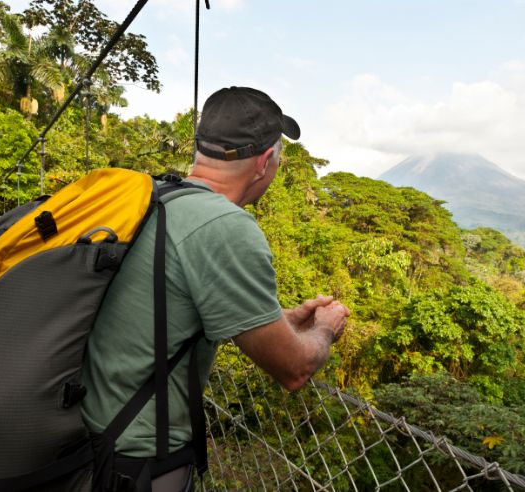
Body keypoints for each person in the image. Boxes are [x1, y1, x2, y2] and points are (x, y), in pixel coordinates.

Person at [81, 86, 350, 491]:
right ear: (264, 163)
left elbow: (170, 312)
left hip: (86, 436)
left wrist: (283, 321)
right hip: (138, 461)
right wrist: (324, 327)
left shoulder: (155, 197)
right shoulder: (225, 226)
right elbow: (293, 370)